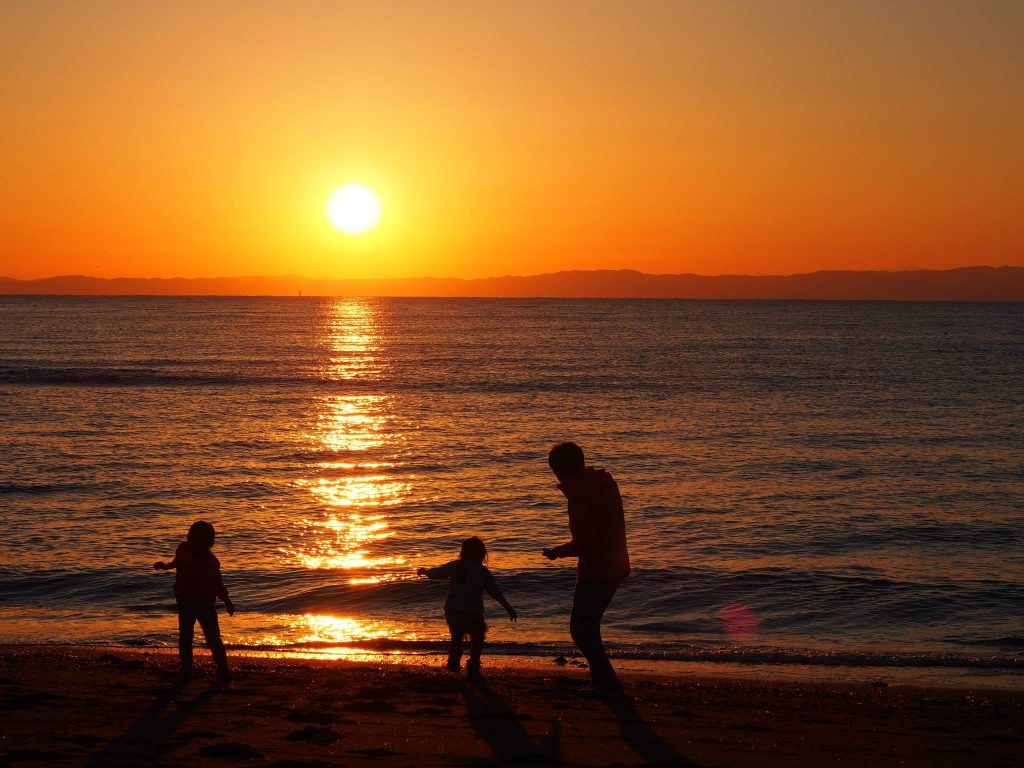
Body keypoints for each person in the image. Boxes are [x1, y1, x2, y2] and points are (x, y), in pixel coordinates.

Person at [542, 442, 630, 698]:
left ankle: (606, 682)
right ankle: (601, 680)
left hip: (598, 569)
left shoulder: (580, 494)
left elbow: (587, 542)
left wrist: (558, 551)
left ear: (559, 469)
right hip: (617, 562)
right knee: (588, 626)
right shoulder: (603, 483)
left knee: (581, 628)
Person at [418, 536, 517, 681]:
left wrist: (425, 571)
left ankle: (453, 662)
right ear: (481, 554)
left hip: (452, 610)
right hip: (473, 612)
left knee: (456, 637)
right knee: (477, 640)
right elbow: (495, 592)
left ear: (463, 552)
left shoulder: (456, 565)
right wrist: (509, 608)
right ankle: (473, 668)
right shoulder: (482, 571)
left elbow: (437, 573)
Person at [154, 520, 236, 682]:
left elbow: (217, 583)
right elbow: (219, 585)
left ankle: (188, 670)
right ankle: (222, 669)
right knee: (211, 638)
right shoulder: (210, 560)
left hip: (190, 602)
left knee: (187, 638)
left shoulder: (191, 552)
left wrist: (166, 566)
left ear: (191, 536)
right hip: (201, 603)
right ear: (210, 540)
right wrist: (227, 601)